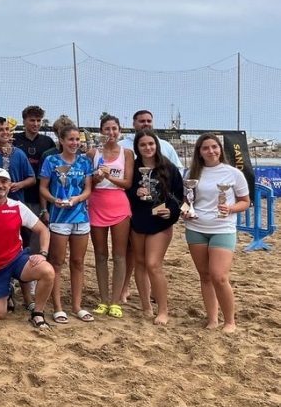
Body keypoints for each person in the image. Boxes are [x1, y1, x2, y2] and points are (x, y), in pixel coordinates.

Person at [0, 169, 55, 330]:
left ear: (9, 184)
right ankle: (8, 290)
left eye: (4, 182)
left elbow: (43, 230)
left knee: (47, 271)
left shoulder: (18, 207)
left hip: (16, 260)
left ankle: (38, 313)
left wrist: (43, 253)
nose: (0, 185)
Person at [183, 133, 250, 334]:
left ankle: (229, 321)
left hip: (223, 228)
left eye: (214, 147)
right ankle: (212, 319)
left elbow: (245, 201)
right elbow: (188, 200)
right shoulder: (192, 173)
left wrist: (230, 208)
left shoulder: (233, 173)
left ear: (220, 149)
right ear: (200, 152)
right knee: (204, 276)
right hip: (196, 229)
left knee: (219, 276)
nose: (211, 151)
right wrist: (185, 210)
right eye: (206, 148)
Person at [120, 109, 184, 300]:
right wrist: (134, 192)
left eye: (150, 144)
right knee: (137, 261)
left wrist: (173, 211)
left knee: (153, 264)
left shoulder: (168, 162)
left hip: (159, 219)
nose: (147, 147)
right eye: (143, 145)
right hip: (137, 219)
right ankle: (141, 301)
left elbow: (178, 192)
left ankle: (159, 302)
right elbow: (126, 187)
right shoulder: (129, 159)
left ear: (156, 145)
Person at [39, 124, 94, 324]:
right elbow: (43, 188)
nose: (74, 143)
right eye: (70, 139)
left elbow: (88, 189)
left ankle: (77, 306)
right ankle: (58, 307)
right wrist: (54, 201)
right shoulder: (51, 160)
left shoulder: (85, 161)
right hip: (60, 218)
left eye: (77, 139)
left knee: (78, 263)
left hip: (81, 218)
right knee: (57, 262)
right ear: (61, 140)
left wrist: (78, 199)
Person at [88, 115, 134, 319]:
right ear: (101, 131)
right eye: (107, 129)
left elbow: (128, 183)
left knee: (119, 255)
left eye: (114, 129)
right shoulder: (93, 153)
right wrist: (97, 179)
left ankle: (115, 302)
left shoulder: (127, 153)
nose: (111, 133)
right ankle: (103, 300)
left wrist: (108, 176)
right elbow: (88, 184)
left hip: (119, 204)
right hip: (97, 204)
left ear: (120, 130)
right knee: (100, 255)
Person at [11, 105, 56, 251]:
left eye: (38, 120)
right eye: (32, 120)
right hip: (18, 195)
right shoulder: (14, 140)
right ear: (24, 121)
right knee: (18, 232)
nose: (36, 124)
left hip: (39, 196)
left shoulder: (47, 141)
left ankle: (36, 265)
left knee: (38, 232)